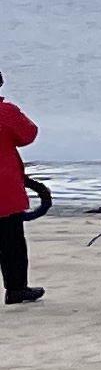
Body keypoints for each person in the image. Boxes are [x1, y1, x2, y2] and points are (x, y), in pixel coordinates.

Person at [0, 62, 39, 302]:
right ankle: (16, 288)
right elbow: (28, 134)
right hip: (4, 189)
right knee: (12, 241)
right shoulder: (6, 112)